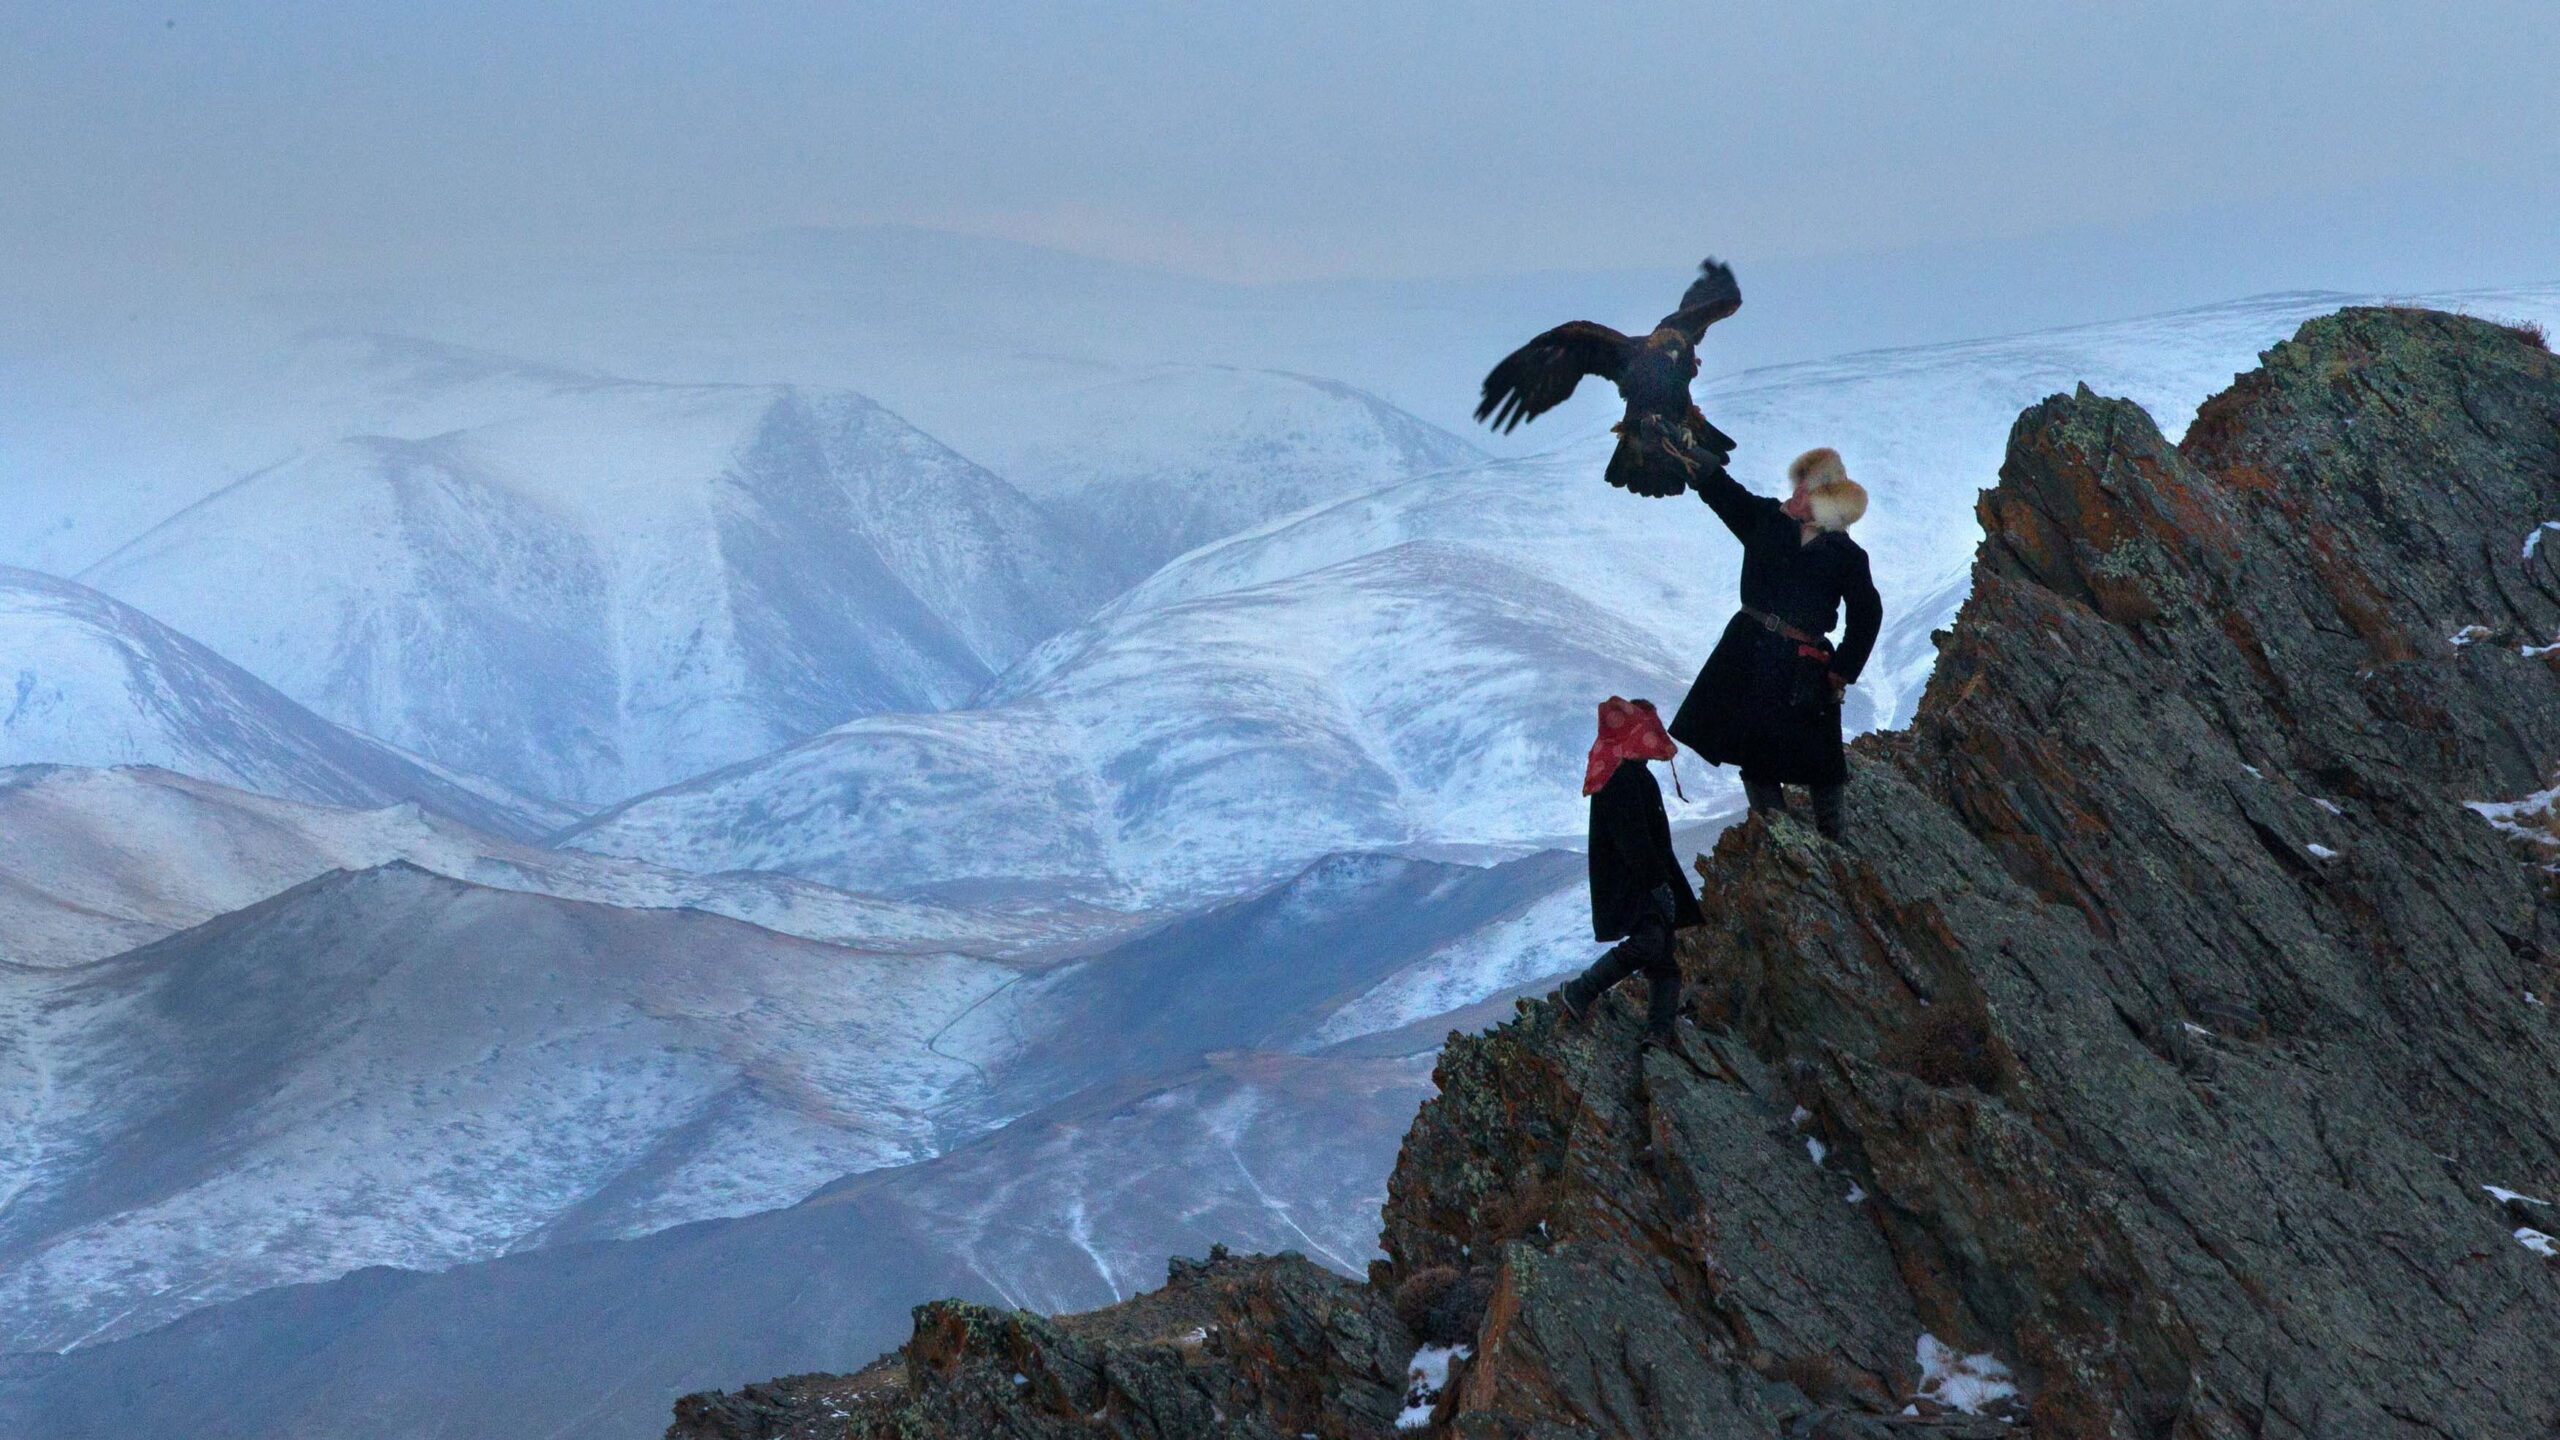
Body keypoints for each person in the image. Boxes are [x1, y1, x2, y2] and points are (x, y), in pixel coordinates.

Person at [1668, 447, 1882, 839]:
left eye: (1806, 491)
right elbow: (1724, 493)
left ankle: (1834, 841)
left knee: (1823, 762)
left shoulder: (1847, 555)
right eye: (1797, 488)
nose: (1795, 496)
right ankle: (1777, 838)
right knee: (1755, 753)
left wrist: (1842, 670)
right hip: (1749, 653)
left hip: (1806, 664)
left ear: (1826, 498)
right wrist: (1691, 455)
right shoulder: (1766, 519)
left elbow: (1867, 613)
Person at [1553, 697, 1704, 1047]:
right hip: (1635, 884)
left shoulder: (1624, 773)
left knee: (1663, 957)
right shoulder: (1621, 778)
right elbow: (1634, 840)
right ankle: (1581, 990)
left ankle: (1659, 1031)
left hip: (1637, 881)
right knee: (1651, 943)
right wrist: (1657, 886)